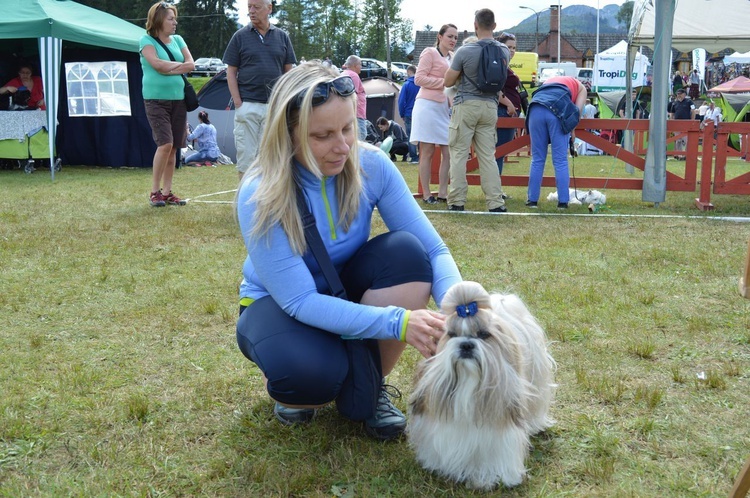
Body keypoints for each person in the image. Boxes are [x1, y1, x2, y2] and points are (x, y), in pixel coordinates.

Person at [234, 62, 462, 440]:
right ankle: (302, 388)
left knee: (407, 251)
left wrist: (459, 304)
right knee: (312, 378)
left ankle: (371, 387)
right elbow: (300, 301)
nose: (343, 146)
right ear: (287, 135)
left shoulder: (372, 163)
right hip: (279, 303)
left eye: (347, 128)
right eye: (322, 135)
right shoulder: (261, 192)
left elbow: (433, 248)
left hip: (344, 288)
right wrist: (399, 323)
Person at [223, 0, 296, 180]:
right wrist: (239, 103)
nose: (251, 11)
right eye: (249, 7)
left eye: (256, 7)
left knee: (272, 159)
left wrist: (286, 101)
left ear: (269, 8)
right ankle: (245, 205)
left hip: (274, 107)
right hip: (247, 105)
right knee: (246, 160)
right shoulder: (239, 36)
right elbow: (230, 72)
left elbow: (289, 73)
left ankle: (268, 204)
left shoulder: (282, 36)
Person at [444, 9, 509, 213]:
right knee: (487, 156)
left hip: (466, 105)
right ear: (495, 26)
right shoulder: (504, 51)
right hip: (490, 106)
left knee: (459, 154)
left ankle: (457, 200)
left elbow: (448, 81)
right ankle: (495, 202)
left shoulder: (465, 51)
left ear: (475, 25)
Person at [140, 1, 195, 207]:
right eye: (170, 19)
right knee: (165, 144)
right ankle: (154, 192)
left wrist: (169, 68)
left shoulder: (178, 39)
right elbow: (157, 65)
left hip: (178, 100)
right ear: (158, 20)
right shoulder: (146, 41)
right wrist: (179, 67)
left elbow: (191, 64)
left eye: (175, 18)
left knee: (175, 148)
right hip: (155, 101)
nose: (175, 22)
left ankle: (167, 192)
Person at [524, 75, 587, 209]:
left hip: (535, 108)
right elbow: (577, 112)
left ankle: (532, 200)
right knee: (560, 160)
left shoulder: (549, 81)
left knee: (537, 159)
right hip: (557, 111)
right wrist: (572, 130)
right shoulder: (581, 88)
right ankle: (563, 202)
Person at [411, 24, 457, 205]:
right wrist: (444, 83)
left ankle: (443, 192)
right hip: (427, 106)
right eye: (450, 36)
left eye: (455, 37)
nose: (453, 40)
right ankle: (427, 193)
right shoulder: (429, 52)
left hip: (444, 108)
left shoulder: (453, 57)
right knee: (427, 151)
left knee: (449, 151)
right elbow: (419, 79)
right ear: (440, 36)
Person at [494, 32, 522, 181]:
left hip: (509, 112)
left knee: (501, 151)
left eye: (514, 47)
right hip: (503, 111)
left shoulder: (505, 65)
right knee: (499, 151)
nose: (511, 50)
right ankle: (495, 188)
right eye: (508, 47)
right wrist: (509, 104)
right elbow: (494, 88)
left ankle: (495, 187)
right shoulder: (498, 64)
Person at [341, 55, 368, 141]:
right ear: (355, 65)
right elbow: (352, 95)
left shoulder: (343, 74)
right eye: (360, 64)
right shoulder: (354, 76)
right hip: (357, 113)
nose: (361, 67)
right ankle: (356, 154)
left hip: (348, 113)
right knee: (361, 135)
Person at [397, 65, 420, 163]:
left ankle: (414, 157)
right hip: (419, 112)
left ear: (409, 72)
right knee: (421, 134)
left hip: (409, 113)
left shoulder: (406, 85)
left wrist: (402, 113)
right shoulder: (421, 84)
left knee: (411, 135)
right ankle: (422, 155)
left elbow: (401, 101)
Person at [670, 88, 695, 160]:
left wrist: (692, 120)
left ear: (684, 94)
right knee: (678, 140)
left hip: (686, 123)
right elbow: (672, 113)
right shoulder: (674, 103)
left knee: (687, 140)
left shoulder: (689, 102)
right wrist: (672, 121)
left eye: (680, 94)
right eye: (678, 94)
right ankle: (679, 154)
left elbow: (693, 110)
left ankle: (687, 154)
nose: (679, 95)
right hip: (677, 123)